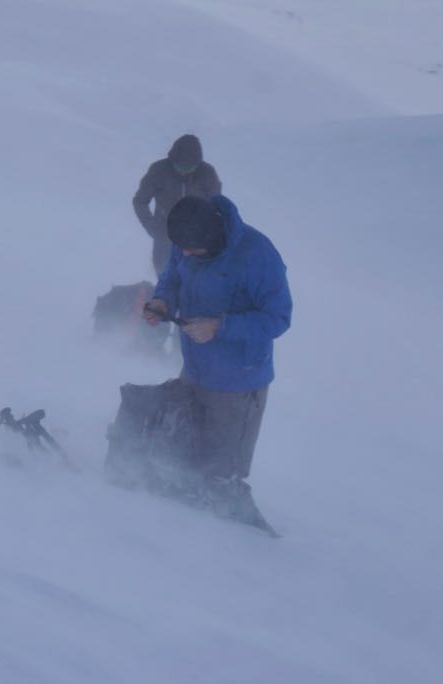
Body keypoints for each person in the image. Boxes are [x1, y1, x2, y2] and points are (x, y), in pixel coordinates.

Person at [142, 194, 292, 530]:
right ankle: (186, 536)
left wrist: (220, 327)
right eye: (181, 248)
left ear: (213, 240)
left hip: (238, 384)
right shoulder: (188, 245)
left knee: (221, 475)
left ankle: (242, 544)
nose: (185, 254)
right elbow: (173, 277)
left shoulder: (257, 256)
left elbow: (279, 318)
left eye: (192, 250)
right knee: (185, 458)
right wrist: (162, 302)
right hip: (194, 370)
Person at [133, 134, 222, 276]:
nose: (184, 171)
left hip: (197, 242)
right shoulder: (159, 171)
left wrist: (209, 234)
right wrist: (151, 227)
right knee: (165, 280)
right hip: (164, 238)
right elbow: (140, 201)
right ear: (172, 160)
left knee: (195, 283)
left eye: (189, 167)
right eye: (180, 166)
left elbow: (218, 205)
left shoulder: (207, 174)